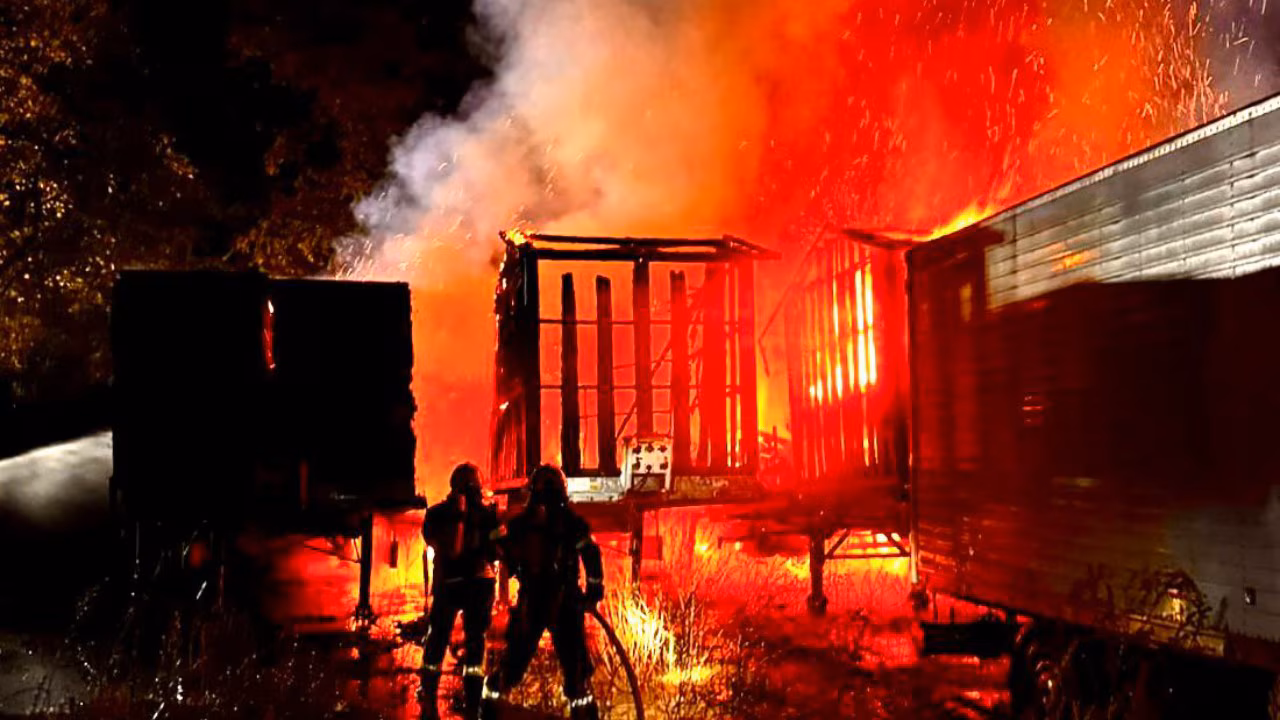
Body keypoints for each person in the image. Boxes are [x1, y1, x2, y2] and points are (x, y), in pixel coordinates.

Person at [480, 464, 605, 720]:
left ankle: (489, 708)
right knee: (575, 669)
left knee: (515, 661)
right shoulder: (573, 523)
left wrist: (493, 533)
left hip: (534, 601)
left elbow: (497, 546)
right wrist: (593, 591)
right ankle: (584, 715)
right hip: (564, 603)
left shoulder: (520, 524)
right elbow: (591, 554)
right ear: (562, 491)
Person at [421, 462, 500, 720]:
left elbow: (433, 540)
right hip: (478, 585)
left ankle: (429, 695)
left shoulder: (435, 514)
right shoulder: (489, 516)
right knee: (476, 642)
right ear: (479, 487)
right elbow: (497, 551)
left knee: (438, 639)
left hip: (449, 585)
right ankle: (473, 701)